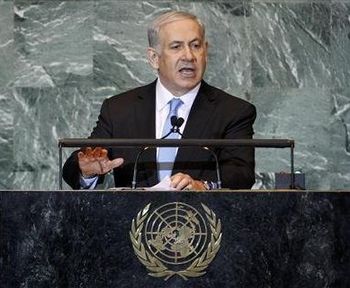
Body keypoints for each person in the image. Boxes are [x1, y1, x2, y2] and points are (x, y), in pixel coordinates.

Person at [63, 11, 256, 190]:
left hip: (202, 223)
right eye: (176, 46)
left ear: (205, 52)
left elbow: (242, 174)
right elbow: (76, 165)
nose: (189, 56)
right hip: (133, 223)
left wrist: (203, 186)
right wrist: (86, 170)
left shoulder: (233, 111)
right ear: (154, 58)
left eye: (196, 46)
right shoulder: (119, 109)